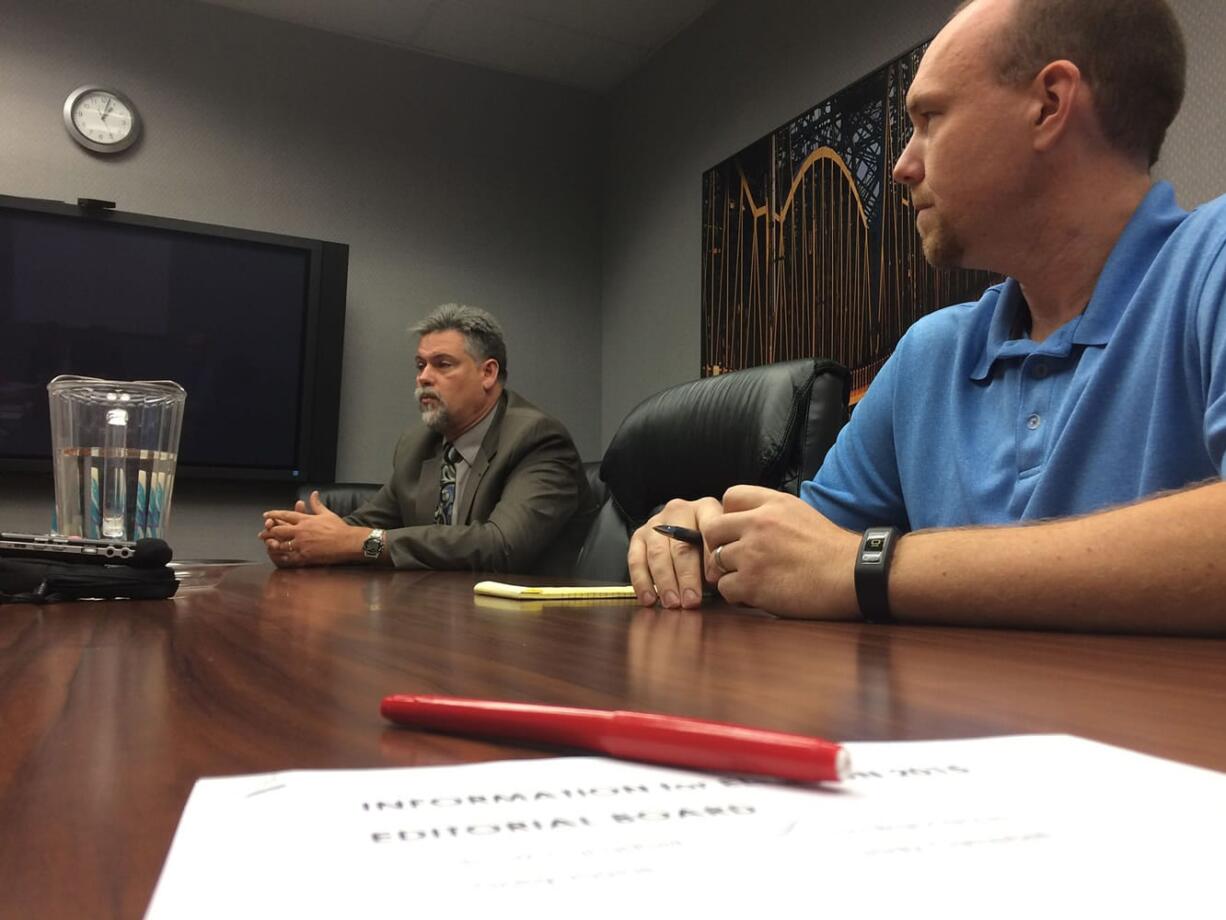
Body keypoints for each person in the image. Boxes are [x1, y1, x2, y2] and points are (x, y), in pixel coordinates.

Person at [629, 0, 1226, 634]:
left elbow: (842, 564)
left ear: (1050, 104)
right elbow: (804, 558)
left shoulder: (1210, 262)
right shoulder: (929, 353)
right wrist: (704, 539)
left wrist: (873, 567)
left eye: (930, 118)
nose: (902, 165)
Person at [260, 304, 595, 571]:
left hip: (535, 632)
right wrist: (303, 542)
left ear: (488, 373)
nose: (424, 377)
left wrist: (359, 542)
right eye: (420, 365)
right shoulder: (418, 444)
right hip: (436, 618)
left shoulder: (537, 439)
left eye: (442, 364)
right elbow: (364, 525)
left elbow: (500, 546)